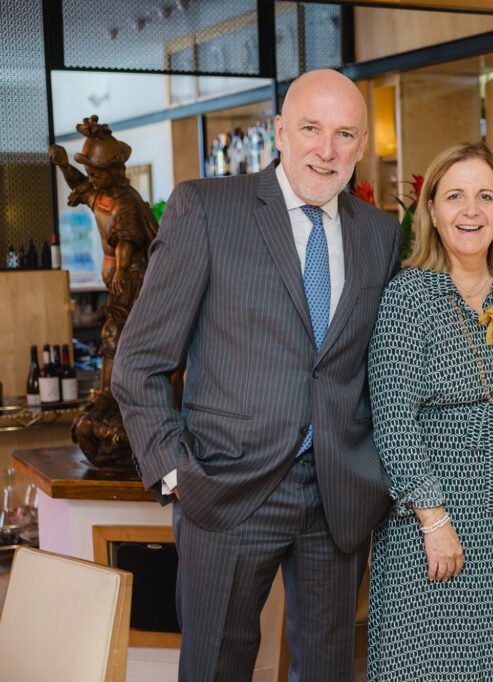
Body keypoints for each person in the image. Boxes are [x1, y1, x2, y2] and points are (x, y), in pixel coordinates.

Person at [112, 69, 400, 681]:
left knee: (327, 671)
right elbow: (139, 362)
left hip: (338, 496)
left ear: (362, 143)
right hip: (225, 488)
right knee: (217, 667)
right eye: (311, 129)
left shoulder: (380, 233)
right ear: (279, 132)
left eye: (345, 134)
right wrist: (174, 471)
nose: (327, 150)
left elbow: (377, 366)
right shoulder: (207, 209)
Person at [366, 142, 493, 681]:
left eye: (485, 196)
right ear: (431, 209)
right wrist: (433, 518)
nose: (471, 211)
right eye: (455, 196)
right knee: (434, 660)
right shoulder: (409, 295)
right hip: (436, 515)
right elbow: (392, 418)